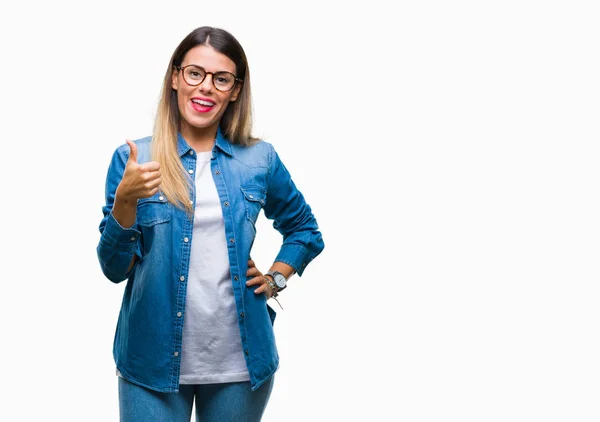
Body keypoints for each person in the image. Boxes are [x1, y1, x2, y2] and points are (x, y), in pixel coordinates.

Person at [96, 26, 324, 421]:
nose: (206, 88)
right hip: (149, 361)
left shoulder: (259, 160)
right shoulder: (134, 158)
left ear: (235, 90)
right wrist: (125, 202)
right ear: (175, 77)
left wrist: (275, 279)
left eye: (221, 79)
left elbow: (305, 229)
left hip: (240, 364)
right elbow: (114, 269)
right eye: (195, 73)